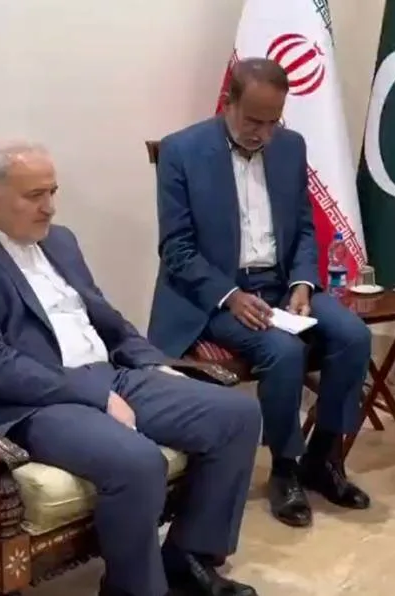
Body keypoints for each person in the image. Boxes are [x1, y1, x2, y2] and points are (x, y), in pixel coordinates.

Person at [0, 140, 261, 596]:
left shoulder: (59, 241)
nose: (50, 207)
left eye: (52, 192)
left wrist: (152, 363)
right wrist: (96, 396)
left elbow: (105, 318)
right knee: (137, 462)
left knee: (236, 415)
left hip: (107, 374)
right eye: (34, 195)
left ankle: (188, 560)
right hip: (28, 404)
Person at [148, 57, 373, 529]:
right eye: (254, 121)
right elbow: (176, 249)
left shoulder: (290, 147)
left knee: (353, 335)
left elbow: (305, 229)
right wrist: (230, 295)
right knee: (283, 351)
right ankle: (286, 468)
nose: (263, 134)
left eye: (273, 122)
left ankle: (324, 457)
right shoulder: (181, 151)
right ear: (228, 103)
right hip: (211, 294)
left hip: (279, 284)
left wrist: (302, 283)